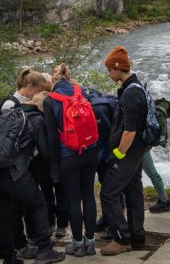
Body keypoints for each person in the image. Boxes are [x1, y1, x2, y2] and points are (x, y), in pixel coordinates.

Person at [0, 83, 65, 264]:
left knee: (5, 213)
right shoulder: (36, 119)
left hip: (1, 172)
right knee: (38, 204)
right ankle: (45, 250)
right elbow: (44, 151)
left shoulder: (8, 113)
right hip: (16, 173)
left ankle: (11, 255)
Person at [43, 64, 98, 257]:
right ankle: (90, 243)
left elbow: (52, 138)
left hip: (68, 155)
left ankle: (77, 244)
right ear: (69, 76)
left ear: (53, 80)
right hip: (90, 151)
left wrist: (54, 168)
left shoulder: (50, 101)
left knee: (74, 200)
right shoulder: (81, 91)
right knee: (89, 196)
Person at [100, 46, 148, 256]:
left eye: (109, 70)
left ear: (118, 68)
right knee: (133, 191)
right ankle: (137, 236)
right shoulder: (137, 86)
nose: (109, 74)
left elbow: (129, 131)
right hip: (138, 151)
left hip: (128, 152)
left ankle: (122, 239)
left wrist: (118, 154)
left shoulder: (131, 94)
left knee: (109, 193)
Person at [30, 92, 69, 239]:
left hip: (41, 162)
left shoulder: (35, 120)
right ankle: (62, 225)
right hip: (57, 159)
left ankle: (50, 222)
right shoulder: (54, 117)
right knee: (61, 192)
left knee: (47, 193)